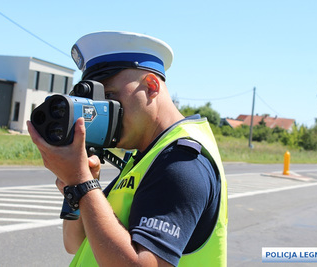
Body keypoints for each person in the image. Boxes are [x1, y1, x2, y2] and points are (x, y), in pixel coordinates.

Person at [27, 31, 227, 267]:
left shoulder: (181, 163)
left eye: (109, 95)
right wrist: (80, 186)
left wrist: (82, 183)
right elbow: (75, 243)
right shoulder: (144, 157)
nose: (104, 109)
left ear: (151, 86)